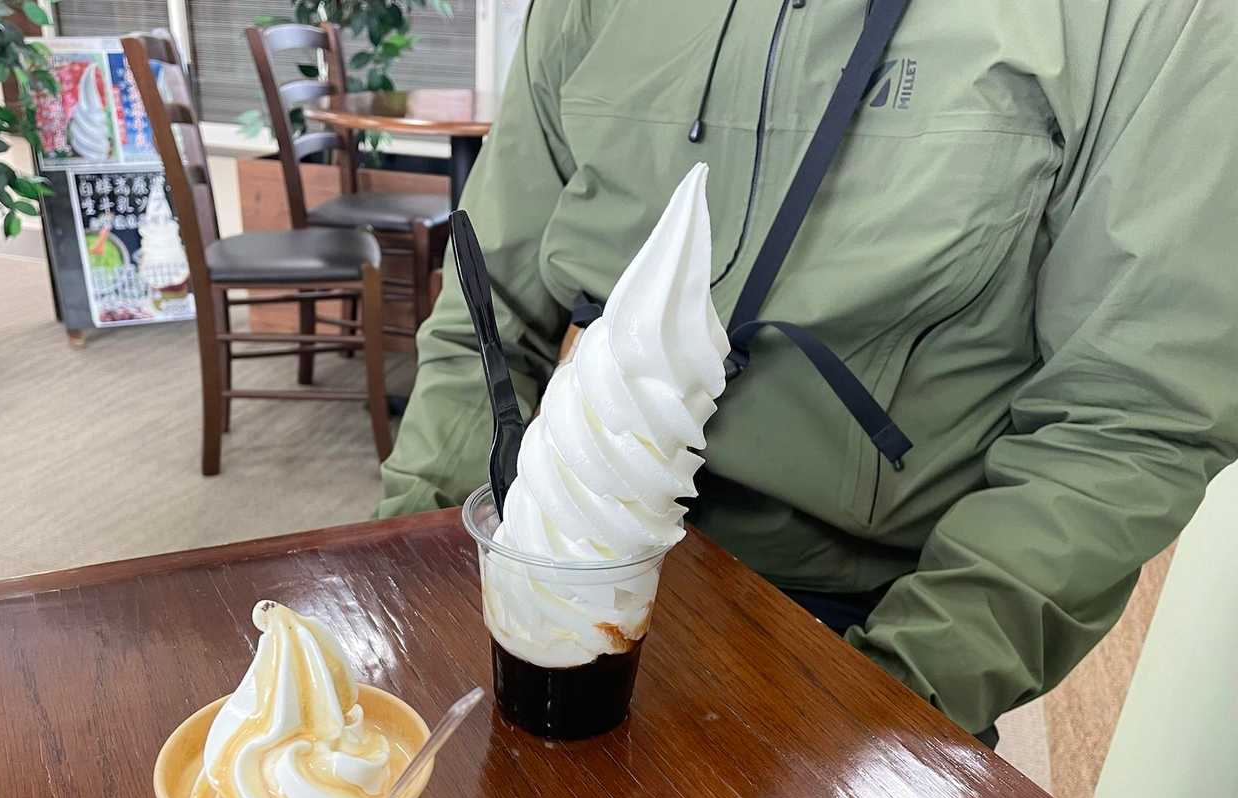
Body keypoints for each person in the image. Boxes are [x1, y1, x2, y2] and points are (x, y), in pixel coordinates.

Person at [377, 0, 1238, 747]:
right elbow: (489, 306)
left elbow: (1133, 415)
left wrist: (896, 697)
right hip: (552, 547)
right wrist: (403, 567)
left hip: (856, 623)